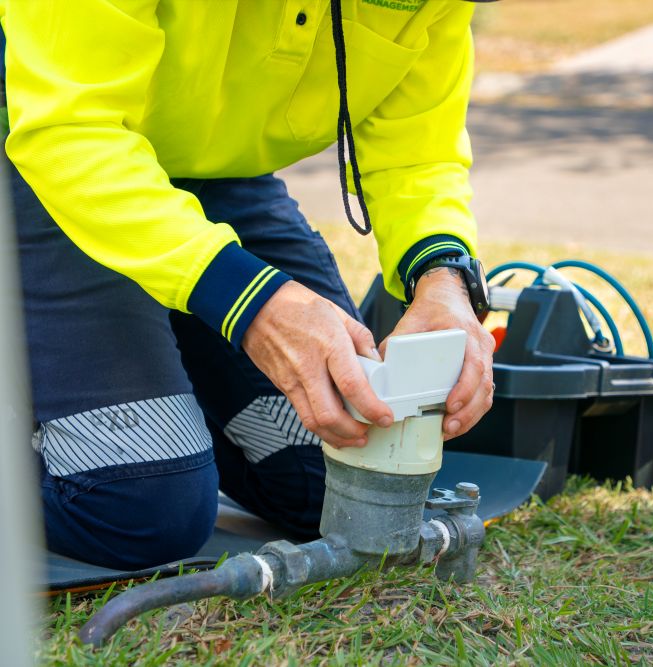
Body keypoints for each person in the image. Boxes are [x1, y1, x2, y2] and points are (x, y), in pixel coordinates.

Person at [0, 0, 496, 570]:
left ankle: (163, 389)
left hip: (208, 172)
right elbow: (67, 130)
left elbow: (419, 150)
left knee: (336, 470)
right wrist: (250, 302)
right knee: (138, 506)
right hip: (40, 148)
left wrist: (443, 280)